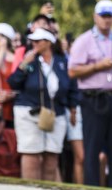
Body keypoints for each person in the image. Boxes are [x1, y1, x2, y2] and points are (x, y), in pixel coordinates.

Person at [68, 0, 112, 189]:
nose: (106, 20)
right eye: (103, 16)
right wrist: (98, 66)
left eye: (109, 16)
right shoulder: (84, 40)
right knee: (92, 147)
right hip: (92, 97)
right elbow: (73, 71)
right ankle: (92, 188)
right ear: (95, 17)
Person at [9, 27, 78, 181]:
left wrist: (73, 109)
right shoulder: (29, 60)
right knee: (31, 154)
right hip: (29, 112)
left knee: (52, 156)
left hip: (55, 113)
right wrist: (24, 64)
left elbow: (72, 87)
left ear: (48, 42)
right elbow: (13, 82)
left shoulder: (62, 62)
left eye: (38, 41)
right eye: (32, 40)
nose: (33, 43)